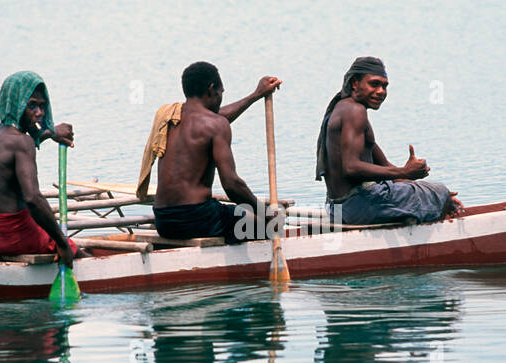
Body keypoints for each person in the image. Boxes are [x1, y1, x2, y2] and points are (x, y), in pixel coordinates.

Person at [141, 62, 282, 243]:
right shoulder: (215, 125)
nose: (221, 97)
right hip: (198, 219)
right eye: (221, 92)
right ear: (211, 89)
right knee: (263, 225)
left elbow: (215, 118)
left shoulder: (169, 118)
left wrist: (255, 95)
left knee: (238, 214)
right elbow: (232, 184)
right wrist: (266, 215)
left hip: (164, 220)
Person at [315, 56, 463, 225]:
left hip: (338, 209)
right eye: (374, 84)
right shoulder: (354, 111)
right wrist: (407, 173)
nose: (381, 91)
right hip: (358, 206)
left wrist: (417, 181)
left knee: (438, 192)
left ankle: (412, 216)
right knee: (439, 191)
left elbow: (386, 167)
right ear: (355, 83)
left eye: (384, 86)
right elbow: (351, 167)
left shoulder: (343, 108)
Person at [0, 70, 77, 265]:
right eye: (32, 105)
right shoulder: (22, 143)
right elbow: (33, 199)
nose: (39, 113)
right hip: (14, 238)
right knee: (75, 249)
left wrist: (49, 132)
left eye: (42, 106)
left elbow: (20, 142)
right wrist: (62, 242)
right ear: (16, 105)